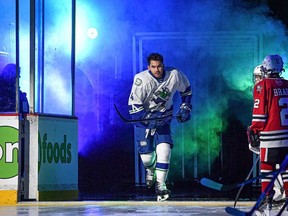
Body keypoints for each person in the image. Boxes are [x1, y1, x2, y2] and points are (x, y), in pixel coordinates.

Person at [128, 53, 192, 201]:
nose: (157, 70)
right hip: (144, 120)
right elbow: (134, 106)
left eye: (159, 66)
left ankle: (161, 184)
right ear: (148, 67)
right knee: (147, 157)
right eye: (153, 67)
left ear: (163, 65)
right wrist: (146, 118)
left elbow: (186, 90)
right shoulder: (141, 80)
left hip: (163, 119)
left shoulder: (174, 74)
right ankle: (151, 170)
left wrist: (186, 106)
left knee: (164, 149)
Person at [247, 54, 288, 215]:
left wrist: (254, 129)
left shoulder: (262, 85)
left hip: (271, 135)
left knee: (267, 166)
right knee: (286, 169)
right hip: (287, 135)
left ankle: (267, 197)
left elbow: (259, 115)